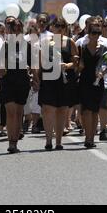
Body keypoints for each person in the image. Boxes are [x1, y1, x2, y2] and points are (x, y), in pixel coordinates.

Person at [38, 17, 79, 150]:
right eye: (57, 26)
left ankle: (59, 142)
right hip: (49, 80)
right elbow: (39, 63)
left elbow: (76, 63)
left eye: (62, 26)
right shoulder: (45, 43)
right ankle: (49, 140)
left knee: (62, 110)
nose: (60, 28)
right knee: (47, 109)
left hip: (65, 80)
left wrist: (67, 65)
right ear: (52, 28)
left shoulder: (70, 42)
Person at [0, 18, 33, 154]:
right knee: (11, 113)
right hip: (8, 82)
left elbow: (33, 65)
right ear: (9, 30)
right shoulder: (5, 45)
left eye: (18, 28)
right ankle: (11, 142)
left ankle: (15, 142)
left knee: (18, 114)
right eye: (13, 28)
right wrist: (0, 72)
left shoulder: (27, 45)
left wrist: (35, 78)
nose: (16, 30)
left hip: (22, 82)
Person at [79, 21, 107, 148]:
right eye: (94, 32)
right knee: (86, 111)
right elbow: (78, 66)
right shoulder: (82, 48)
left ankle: (91, 138)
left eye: (98, 33)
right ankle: (87, 136)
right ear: (88, 33)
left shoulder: (105, 49)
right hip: (85, 82)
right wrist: (79, 66)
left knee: (95, 111)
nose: (96, 35)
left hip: (98, 82)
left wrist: (103, 72)